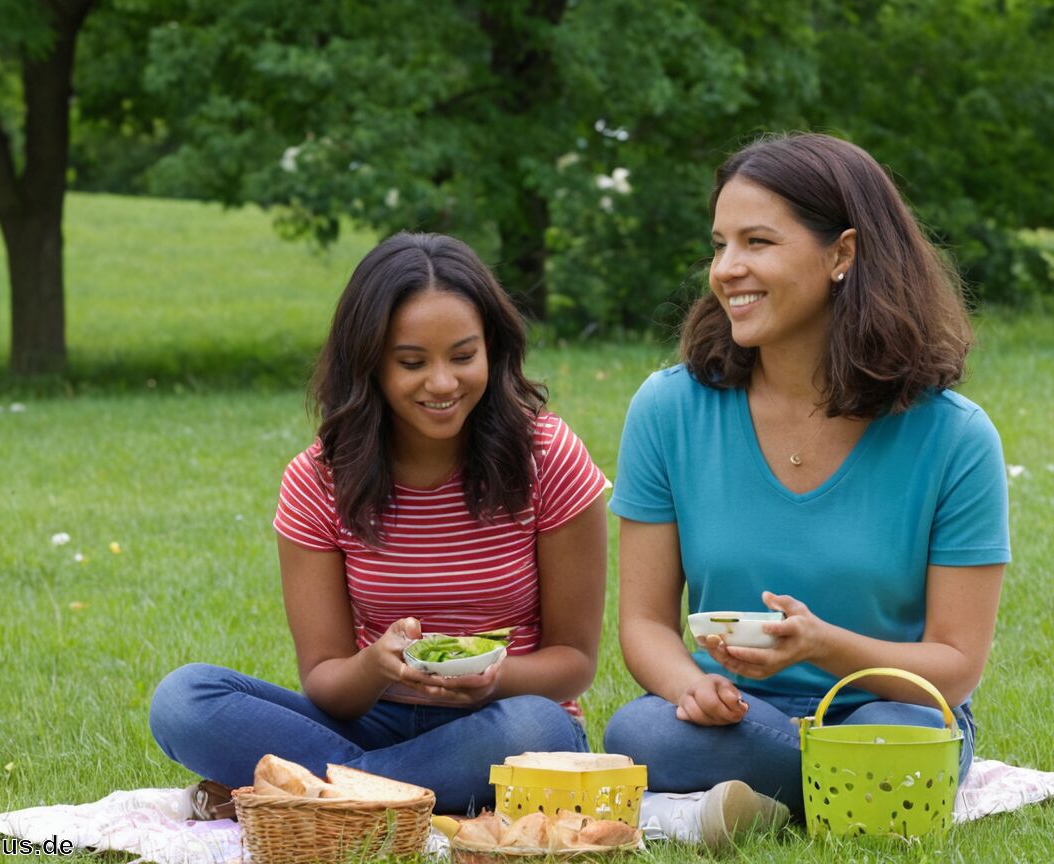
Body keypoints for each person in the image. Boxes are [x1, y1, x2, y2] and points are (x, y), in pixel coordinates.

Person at [602, 132, 1010, 842]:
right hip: (734, 712)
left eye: (757, 242)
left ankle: (769, 796)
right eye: (720, 244)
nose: (727, 269)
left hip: (888, 709)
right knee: (641, 729)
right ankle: (837, 791)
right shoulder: (669, 410)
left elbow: (952, 669)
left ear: (843, 255)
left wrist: (821, 645)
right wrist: (687, 685)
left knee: (900, 740)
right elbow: (642, 624)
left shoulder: (955, 438)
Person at [149, 232, 609, 813]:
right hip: (369, 722)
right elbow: (325, 681)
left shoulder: (548, 455)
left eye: (464, 356)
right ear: (368, 364)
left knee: (536, 730)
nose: (442, 384)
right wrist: (372, 667)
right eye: (412, 363)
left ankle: (315, 798)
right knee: (184, 699)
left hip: (498, 722)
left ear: (492, 349)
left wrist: (491, 680)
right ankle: (381, 797)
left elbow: (574, 663)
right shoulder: (320, 479)